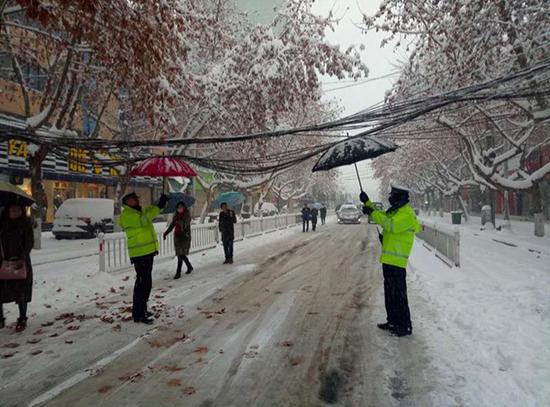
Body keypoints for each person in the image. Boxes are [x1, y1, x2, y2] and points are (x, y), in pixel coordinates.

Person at [360, 185, 420, 337]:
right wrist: (368, 203)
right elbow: (383, 216)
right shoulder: (396, 211)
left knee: (399, 295)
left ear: (401, 197)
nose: (390, 197)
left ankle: (404, 325)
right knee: (390, 294)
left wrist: (372, 212)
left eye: (393, 195)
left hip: (397, 262)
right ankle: (392, 321)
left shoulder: (406, 214)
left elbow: (390, 225)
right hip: (388, 259)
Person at [119, 192, 168, 324]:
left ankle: (142, 309)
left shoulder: (139, 211)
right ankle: (138, 313)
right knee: (142, 284)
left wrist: (160, 204)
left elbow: (150, 210)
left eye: (137, 198)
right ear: (127, 202)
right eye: (133, 199)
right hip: (139, 253)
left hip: (148, 252)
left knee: (146, 283)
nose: (136, 200)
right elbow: (144, 220)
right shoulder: (127, 215)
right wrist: (158, 207)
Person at [0, 202, 34, 332]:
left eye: (18, 210)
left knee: (21, 292)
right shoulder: (2, 224)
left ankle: (22, 318)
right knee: (1, 290)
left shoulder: (25, 224)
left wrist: (22, 257)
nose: (15, 213)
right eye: (13, 210)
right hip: (3, 261)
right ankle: (0, 318)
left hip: (21, 262)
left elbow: (29, 242)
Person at [163, 202, 193, 279]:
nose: (179, 208)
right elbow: (172, 225)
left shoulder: (187, 215)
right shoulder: (175, 215)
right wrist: (166, 232)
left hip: (184, 236)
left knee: (180, 254)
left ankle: (178, 272)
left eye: (181, 207)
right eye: (178, 207)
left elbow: (185, 224)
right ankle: (189, 266)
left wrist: (179, 221)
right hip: (177, 236)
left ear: (184, 207)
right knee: (180, 254)